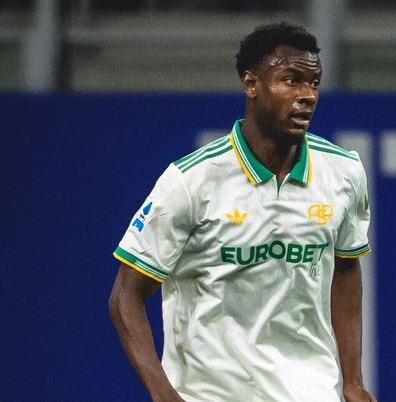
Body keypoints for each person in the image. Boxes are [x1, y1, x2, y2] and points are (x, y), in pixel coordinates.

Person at [108, 22, 376, 402]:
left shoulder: (344, 171)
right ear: (251, 84)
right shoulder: (191, 181)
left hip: (308, 391)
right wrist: (163, 393)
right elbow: (125, 295)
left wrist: (352, 381)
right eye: (291, 80)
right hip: (209, 394)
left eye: (314, 83)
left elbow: (345, 266)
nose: (307, 95)